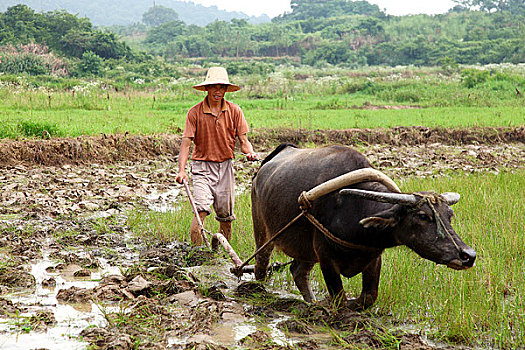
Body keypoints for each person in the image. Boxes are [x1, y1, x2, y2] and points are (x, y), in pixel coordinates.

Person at [176, 67, 259, 246]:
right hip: (202, 167)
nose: (218, 91)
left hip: (226, 168)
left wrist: (249, 152)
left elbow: (243, 140)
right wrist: (181, 171)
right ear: (207, 88)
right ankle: (198, 256)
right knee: (201, 213)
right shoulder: (194, 113)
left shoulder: (235, 111)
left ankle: (221, 257)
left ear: (226, 90)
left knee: (226, 218)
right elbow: (186, 144)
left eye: (222, 87)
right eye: (214, 87)